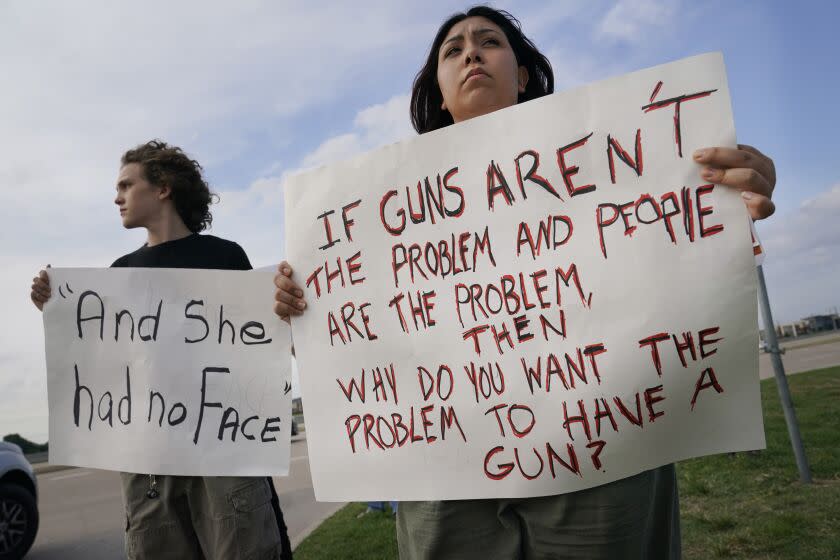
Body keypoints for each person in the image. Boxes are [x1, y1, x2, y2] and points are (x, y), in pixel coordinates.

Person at [273, 7, 777, 559]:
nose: (470, 53)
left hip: (599, 446)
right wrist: (302, 300)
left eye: (489, 41)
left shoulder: (617, 155)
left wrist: (727, 197)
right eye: (453, 50)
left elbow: (665, 251)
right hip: (444, 462)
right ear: (440, 92)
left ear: (523, 75)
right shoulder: (377, 216)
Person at [31, 140, 293, 560]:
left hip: (223, 456)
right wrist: (55, 309)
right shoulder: (120, 274)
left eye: (126, 185)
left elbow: (257, 350)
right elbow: (106, 367)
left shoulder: (224, 256)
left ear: (163, 187)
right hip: (150, 464)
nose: (116, 197)